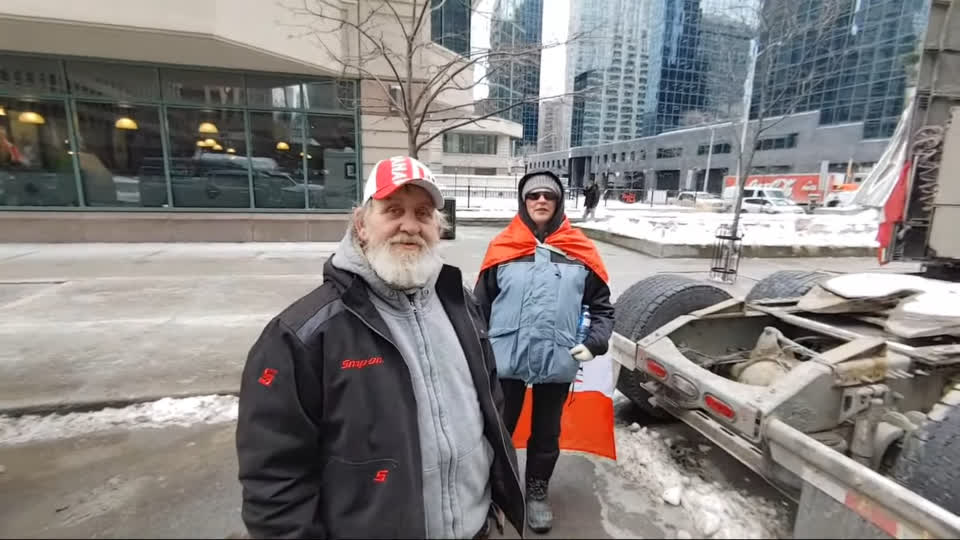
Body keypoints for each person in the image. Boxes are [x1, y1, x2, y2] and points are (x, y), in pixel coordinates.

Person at [236, 156, 525, 539]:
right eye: (393, 210)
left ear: (438, 227)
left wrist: (492, 501)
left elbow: (489, 409)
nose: (409, 225)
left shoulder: (462, 306)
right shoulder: (303, 335)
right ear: (361, 224)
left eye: (423, 213)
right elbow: (274, 481)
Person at [474, 170, 614, 534]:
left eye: (547, 196)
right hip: (506, 361)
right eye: (533, 195)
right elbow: (479, 309)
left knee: (546, 433)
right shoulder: (503, 247)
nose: (540, 201)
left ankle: (536, 492)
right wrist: (478, 350)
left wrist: (595, 341)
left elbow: (603, 309)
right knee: (499, 430)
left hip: (558, 360)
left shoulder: (579, 250)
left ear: (558, 203)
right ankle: (497, 492)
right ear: (523, 202)